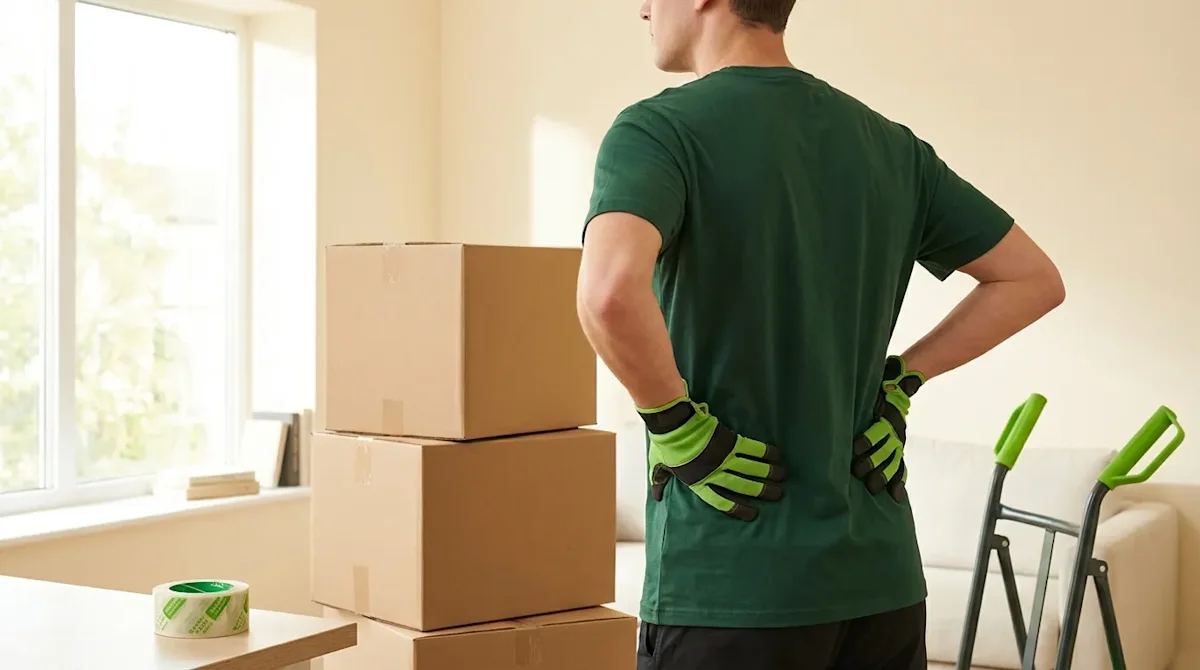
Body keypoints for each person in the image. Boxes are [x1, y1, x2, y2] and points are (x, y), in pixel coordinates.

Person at [575, 0, 1067, 669]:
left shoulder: (659, 131)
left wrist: (674, 421)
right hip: (882, 583)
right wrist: (903, 379)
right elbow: (1032, 279)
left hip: (732, 583)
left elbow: (607, 291)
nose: (641, 9)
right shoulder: (890, 146)